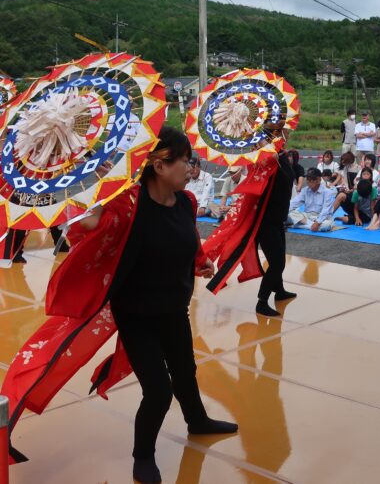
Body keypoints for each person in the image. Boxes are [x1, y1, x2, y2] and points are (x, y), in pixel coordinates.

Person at [2, 127, 237, 483]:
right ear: (160, 165)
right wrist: (66, 182)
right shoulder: (127, 204)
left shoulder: (186, 203)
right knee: (157, 390)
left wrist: (201, 263)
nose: (191, 169)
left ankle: (197, 421)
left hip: (174, 309)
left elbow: (188, 241)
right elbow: (87, 223)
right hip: (136, 315)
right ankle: (143, 456)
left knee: (185, 370)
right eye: (186, 161)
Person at [254, 149, 298, 317]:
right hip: (266, 222)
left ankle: (279, 291)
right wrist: (268, 159)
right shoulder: (264, 168)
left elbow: (289, 176)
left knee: (280, 260)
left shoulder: (282, 160)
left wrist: (280, 156)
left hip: (278, 220)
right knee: (277, 263)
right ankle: (261, 302)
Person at [286, 168, 335, 232]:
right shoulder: (305, 190)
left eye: (310, 180)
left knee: (326, 225)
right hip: (307, 217)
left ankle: (299, 225)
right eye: (307, 180)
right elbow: (293, 203)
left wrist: (317, 222)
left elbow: (325, 211)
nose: (308, 182)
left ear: (318, 180)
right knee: (287, 215)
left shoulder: (327, 192)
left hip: (322, 218)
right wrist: (283, 211)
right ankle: (308, 225)